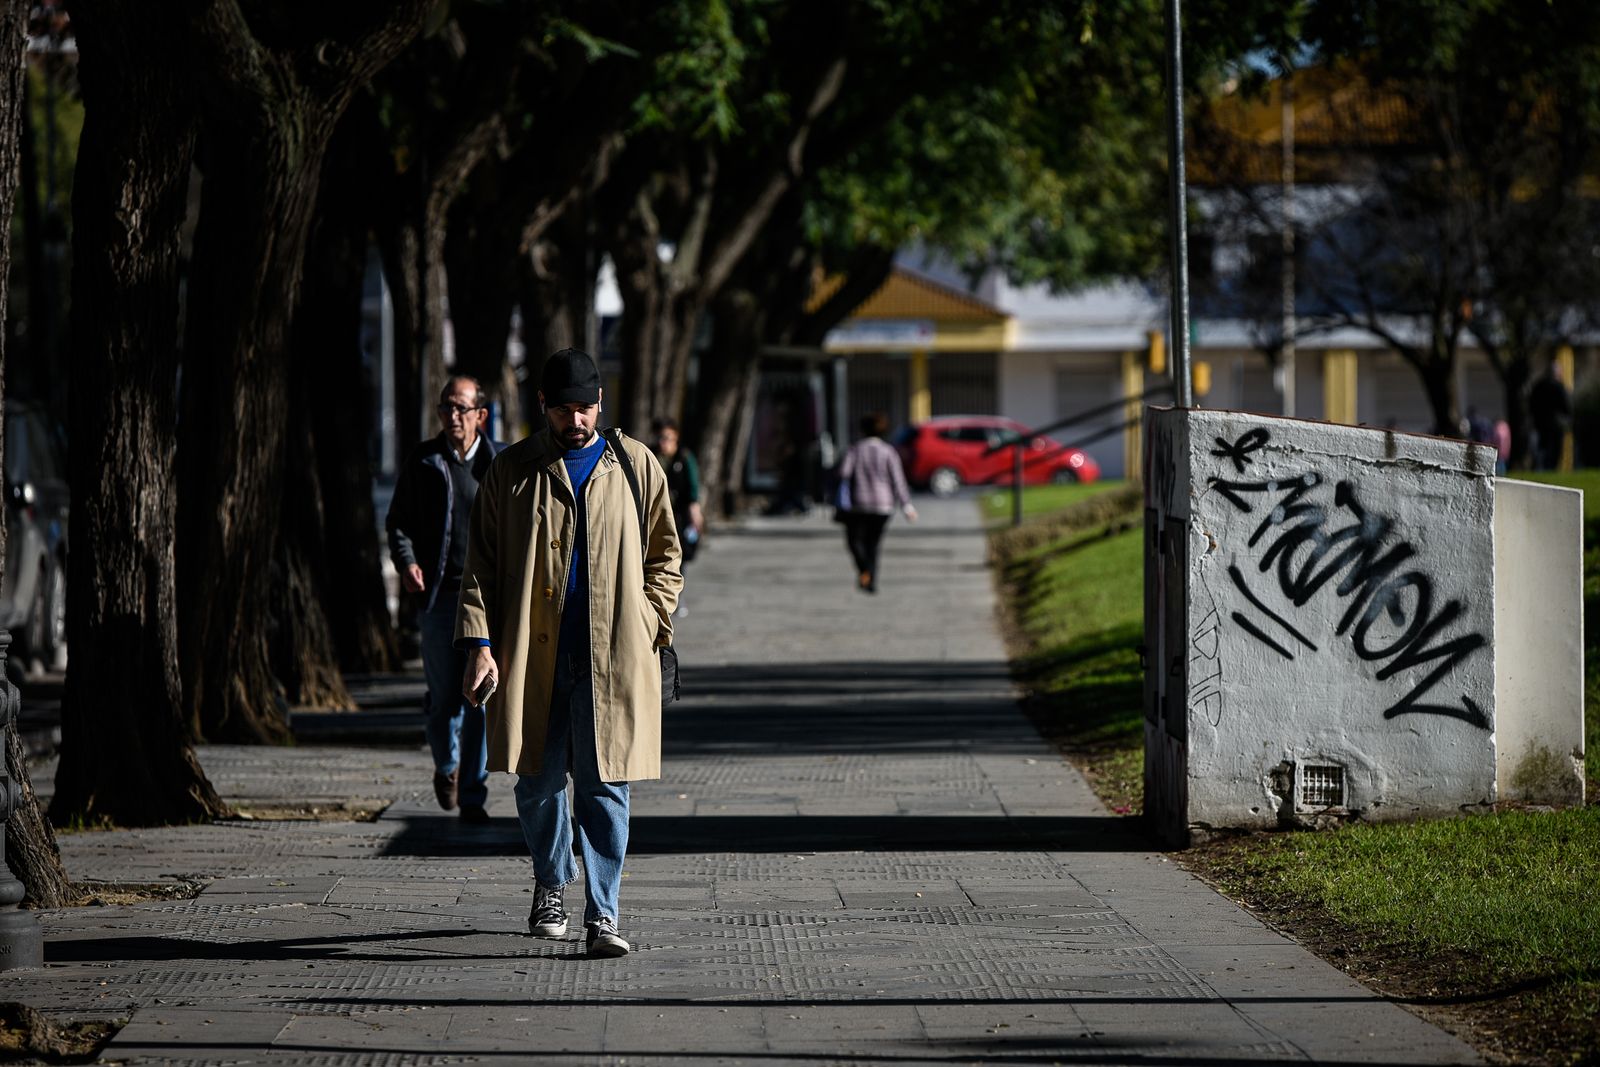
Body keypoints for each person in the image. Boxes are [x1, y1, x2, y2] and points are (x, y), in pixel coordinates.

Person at [456, 348, 682, 958]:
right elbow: (480, 566)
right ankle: (552, 882)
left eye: (585, 409)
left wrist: (651, 618)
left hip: (612, 654)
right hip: (533, 653)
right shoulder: (511, 471)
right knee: (536, 778)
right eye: (564, 410)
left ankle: (603, 913)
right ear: (543, 409)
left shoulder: (635, 465)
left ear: (600, 406)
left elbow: (667, 554)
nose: (576, 421)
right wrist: (479, 642)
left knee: (607, 783)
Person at [386, 376, 501, 824]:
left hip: (487, 603)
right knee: (443, 701)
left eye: (460, 408)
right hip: (438, 600)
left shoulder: (499, 463)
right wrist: (407, 561)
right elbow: (398, 522)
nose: (452, 417)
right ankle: (447, 766)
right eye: (446, 409)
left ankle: (473, 794)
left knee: (481, 698)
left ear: (480, 415)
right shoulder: (424, 460)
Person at [836, 412, 916, 593]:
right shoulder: (888, 452)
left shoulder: (855, 449)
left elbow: (843, 473)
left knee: (854, 542)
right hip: (883, 506)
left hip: (858, 505)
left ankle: (865, 571)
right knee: (873, 544)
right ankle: (871, 579)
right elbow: (898, 480)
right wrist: (907, 506)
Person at [650, 417, 704, 616]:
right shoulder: (650, 455)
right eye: (660, 438)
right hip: (655, 515)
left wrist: (695, 511)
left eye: (667, 437)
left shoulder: (684, 457)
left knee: (678, 557)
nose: (663, 442)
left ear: (675, 437)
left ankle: (676, 597)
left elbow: (693, 487)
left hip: (679, 516)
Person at [1528, 361, 1573, 471]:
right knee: (1555, 450)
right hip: (1556, 423)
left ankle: (1541, 467)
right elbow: (1566, 405)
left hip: (1540, 422)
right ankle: (1551, 468)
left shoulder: (1538, 386)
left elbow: (1531, 404)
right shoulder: (1559, 386)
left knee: (1542, 448)